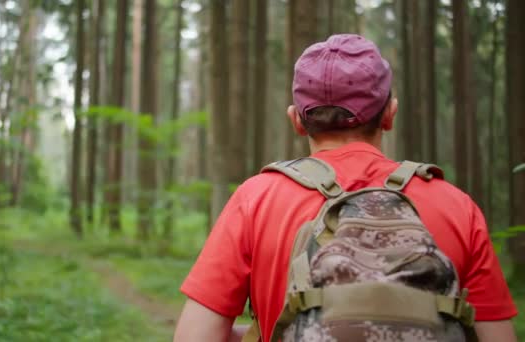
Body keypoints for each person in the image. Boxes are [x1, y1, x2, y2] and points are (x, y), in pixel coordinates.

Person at [174, 34, 518, 342]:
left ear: (296, 119)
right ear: (390, 114)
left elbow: (196, 336)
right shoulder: (457, 207)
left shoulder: (256, 199)